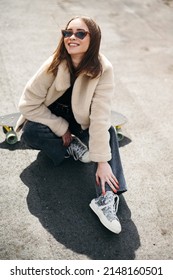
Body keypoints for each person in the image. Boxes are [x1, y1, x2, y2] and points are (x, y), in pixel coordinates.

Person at [16, 16, 127, 234]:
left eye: (80, 33)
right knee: (29, 131)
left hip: (83, 122)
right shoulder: (53, 64)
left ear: (93, 38)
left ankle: (105, 199)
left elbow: (99, 117)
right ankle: (68, 148)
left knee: (108, 131)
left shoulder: (103, 69)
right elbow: (27, 105)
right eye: (68, 32)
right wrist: (61, 128)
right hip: (55, 119)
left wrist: (102, 161)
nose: (72, 37)